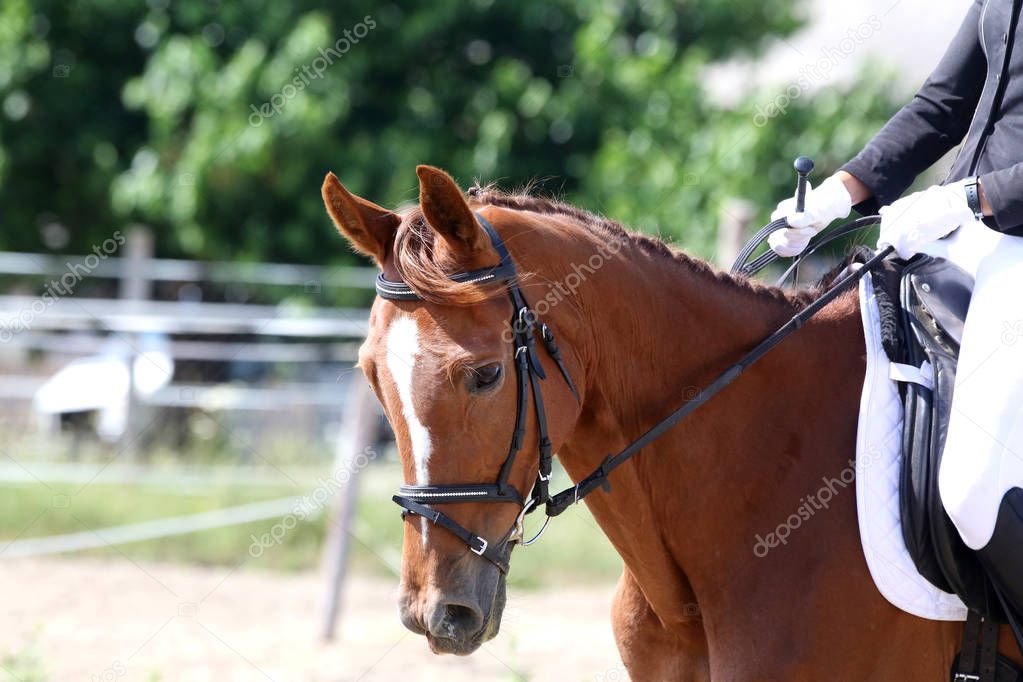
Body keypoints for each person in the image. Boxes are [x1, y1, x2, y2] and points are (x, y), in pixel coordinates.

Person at [770, 0, 1023, 619]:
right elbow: (942, 106)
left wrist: (972, 198)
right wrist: (838, 193)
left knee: (970, 490)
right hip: (964, 229)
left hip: (1010, 237)